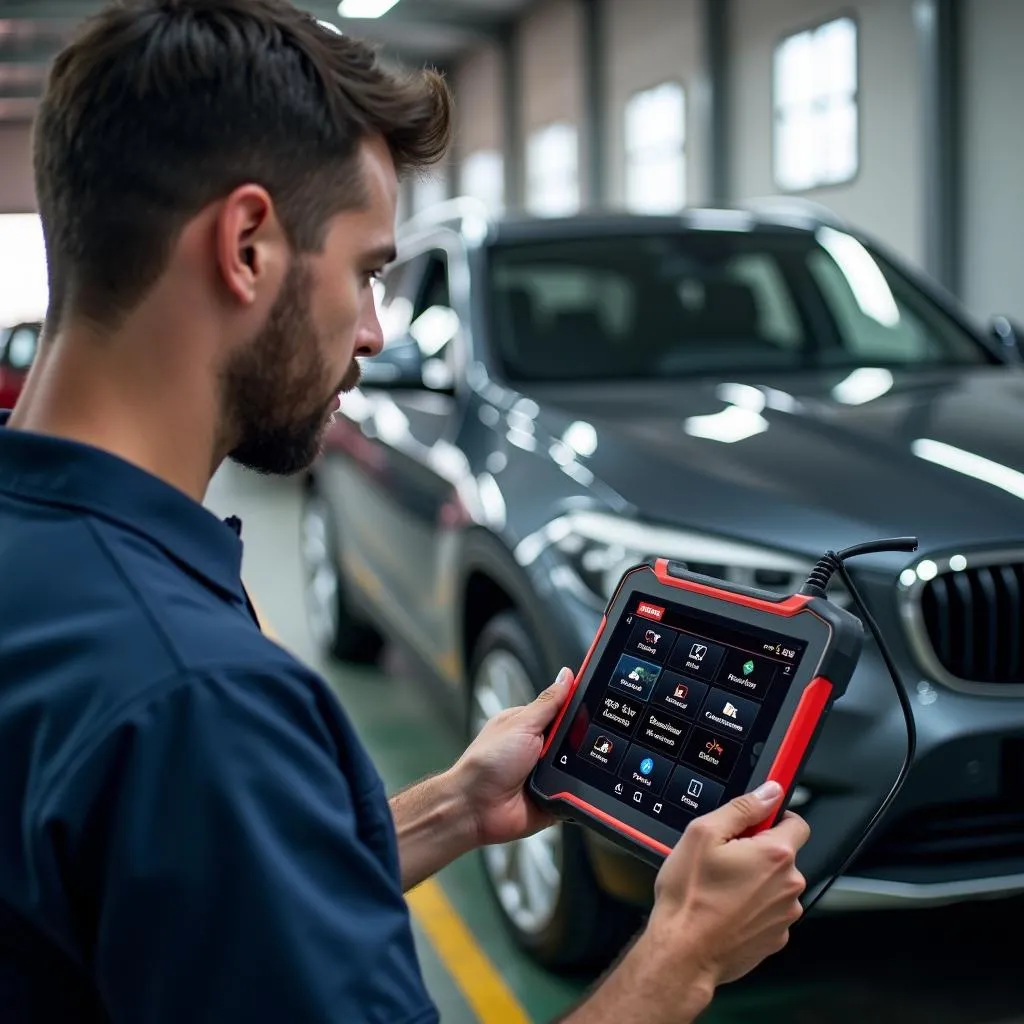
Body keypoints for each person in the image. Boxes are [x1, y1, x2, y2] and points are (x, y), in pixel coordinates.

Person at [0, 1, 809, 1021]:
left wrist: (453, 807)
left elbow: (209, 906)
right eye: (368, 272)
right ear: (247, 245)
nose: (378, 332)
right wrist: (683, 953)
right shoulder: (193, 697)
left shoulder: (53, 567)